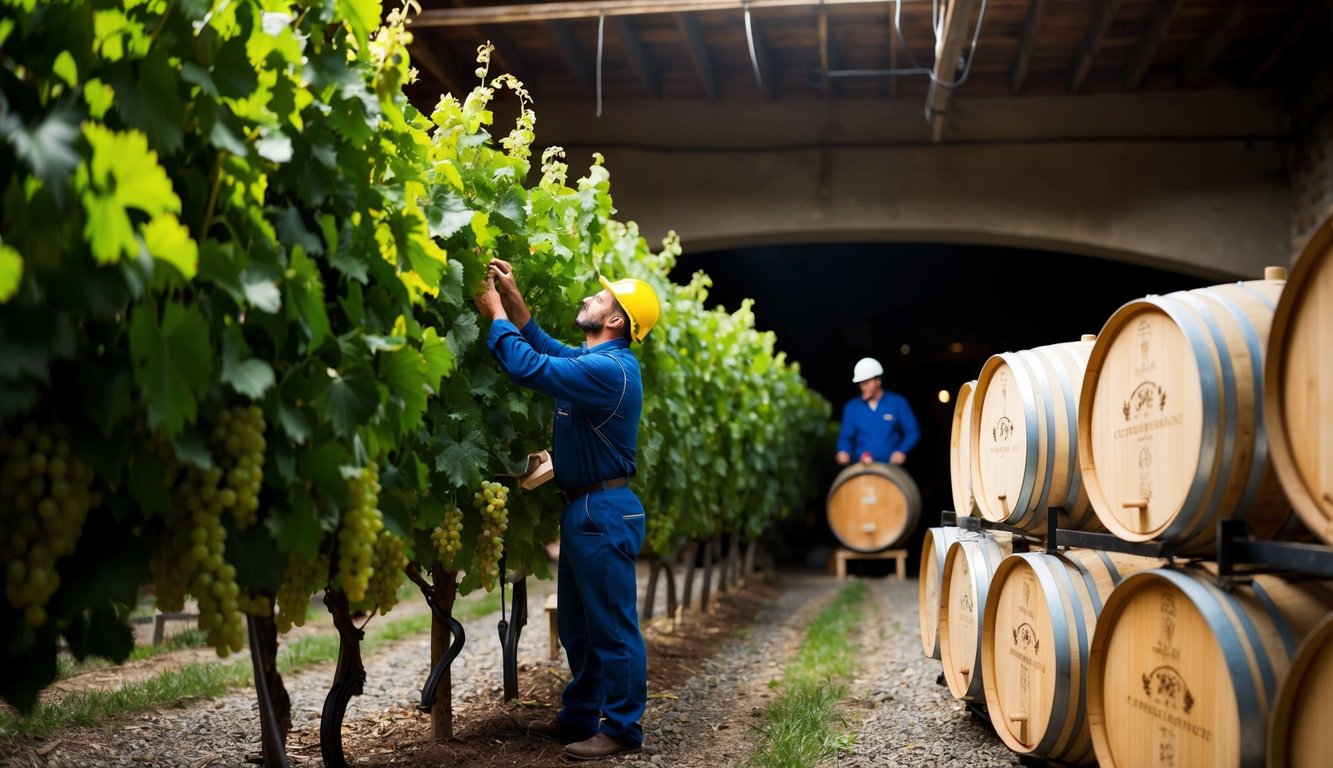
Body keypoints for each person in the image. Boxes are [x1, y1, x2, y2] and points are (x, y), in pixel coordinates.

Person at [473, 258, 660, 761]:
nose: (587, 300)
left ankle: (621, 729)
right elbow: (551, 350)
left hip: (603, 509)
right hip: (587, 508)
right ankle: (581, 713)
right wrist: (513, 304)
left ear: (616, 320)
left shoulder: (609, 368)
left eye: (599, 299)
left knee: (613, 626)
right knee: (579, 624)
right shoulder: (597, 363)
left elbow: (530, 366)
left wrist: (494, 315)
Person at [835, 357, 920, 467]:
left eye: (866, 382)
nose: (862, 387)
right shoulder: (852, 407)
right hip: (862, 468)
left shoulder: (897, 403)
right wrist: (843, 451)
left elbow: (912, 432)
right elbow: (845, 437)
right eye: (860, 383)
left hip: (891, 469)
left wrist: (901, 451)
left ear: (878, 381)